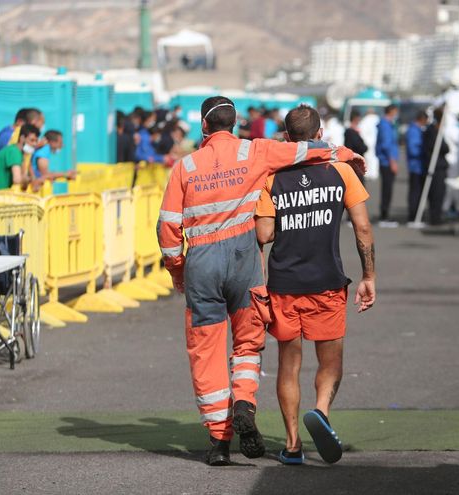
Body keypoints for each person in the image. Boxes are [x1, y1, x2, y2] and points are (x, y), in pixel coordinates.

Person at [156, 97, 365, 467]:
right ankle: (245, 405)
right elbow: (306, 149)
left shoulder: (184, 167)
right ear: (235, 125)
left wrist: (177, 270)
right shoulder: (256, 152)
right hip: (243, 259)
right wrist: (347, 154)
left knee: (206, 350)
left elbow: (169, 227)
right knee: (248, 344)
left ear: (204, 128)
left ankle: (219, 441)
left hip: (202, 263)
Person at [254, 105, 376, 466]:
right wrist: (369, 277)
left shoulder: (273, 177)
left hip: (284, 284)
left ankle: (292, 445)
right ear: (321, 135)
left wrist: (284, 217)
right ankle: (320, 411)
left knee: (288, 365)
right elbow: (363, 229)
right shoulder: (341, 172)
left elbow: (264, 233)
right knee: (331, 361)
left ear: (287, 138)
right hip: (327, 283)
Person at [0, 124, 39, 191]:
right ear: (22, 138)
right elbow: (17, 179)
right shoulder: (14, 152)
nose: (34, 144)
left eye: (36, 141)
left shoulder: (17, 152)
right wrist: (31, 180)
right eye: (32, 140)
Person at [423, 108, 450, 226]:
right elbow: (443, 147)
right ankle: (435, 217)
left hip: (436, 165)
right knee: (437, 193)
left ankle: (435, 215)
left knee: (437, 193)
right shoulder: (433, 131)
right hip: (436, 166)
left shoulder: (432, 130)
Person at [375, 104, 399, 226]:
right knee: (387, 189)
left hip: (386, 160)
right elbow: (386, 144)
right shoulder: (385, 125)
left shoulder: (387, 124)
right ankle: (384, 216)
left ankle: (385, 214)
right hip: (387, 161)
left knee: (387, 189)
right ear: (391, 111)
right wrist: (392, 161)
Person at [405, 110, 428, 223]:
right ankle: (413, 215)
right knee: (415, 192)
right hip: (416, 166)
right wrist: (424, 151)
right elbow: (413, 149)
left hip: (418, 165)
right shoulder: (414, 131)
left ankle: (415, 214)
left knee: (417, 191)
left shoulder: (416, 130)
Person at [343, 111, 368, 185]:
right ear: (356, 119)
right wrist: (365, 147)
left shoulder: (350, 131)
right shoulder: (351, 132)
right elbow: (360, 146)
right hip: (355, 163)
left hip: (353, 162)